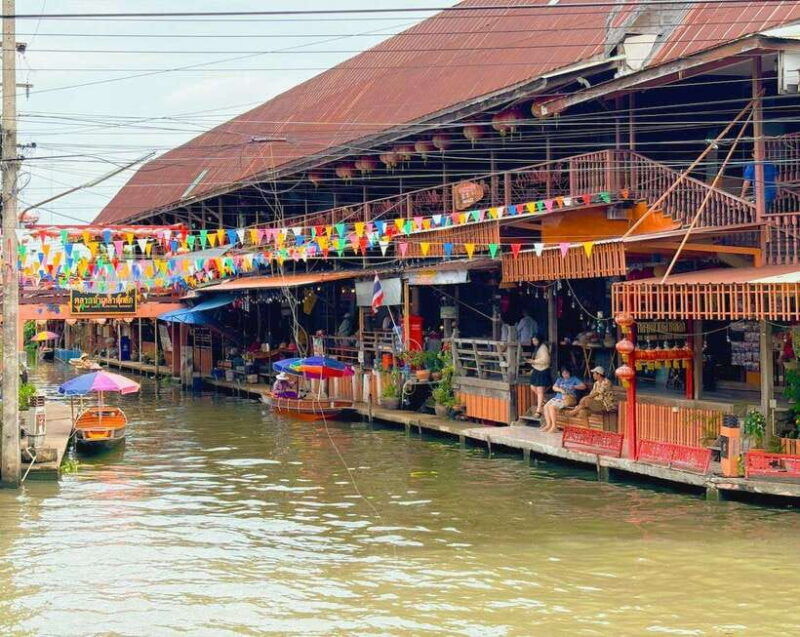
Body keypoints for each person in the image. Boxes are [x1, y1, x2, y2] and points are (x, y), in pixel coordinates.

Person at [541, 367, 586, 433]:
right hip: (557, 398)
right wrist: (561, 390)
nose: (565, 375)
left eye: (566, 373)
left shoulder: (574, 379)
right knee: (545, 407)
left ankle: (554, 426)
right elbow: (554, 387)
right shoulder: (560, 379)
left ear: (569, 373)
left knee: (551, 407)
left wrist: (574, 386)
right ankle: (548, 425)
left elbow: (583, 386)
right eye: (563, 373)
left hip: (568, 398)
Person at [527, 335, 551, 419]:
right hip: (536, 369)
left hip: (542, 370)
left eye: (535, 341)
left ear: (539, 340)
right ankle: (545, 400)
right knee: (532, 387)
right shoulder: (538, 347)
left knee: (540, 391)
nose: (534, 342)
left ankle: (538, 411)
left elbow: (546, 360)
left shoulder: (543, 347)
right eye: (533, 341)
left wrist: (534, 361)